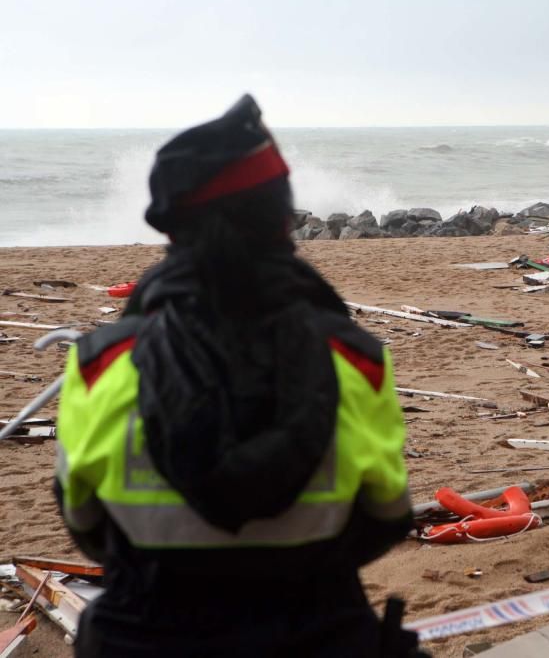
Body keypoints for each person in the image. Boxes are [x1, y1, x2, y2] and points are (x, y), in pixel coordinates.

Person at [54, 95, 419, 657]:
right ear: (281, 221)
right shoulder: (358, 360)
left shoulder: (100, 363)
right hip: (320, 636)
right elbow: (386, 518)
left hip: (140, 640)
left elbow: (85, 524)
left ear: (174, 230)